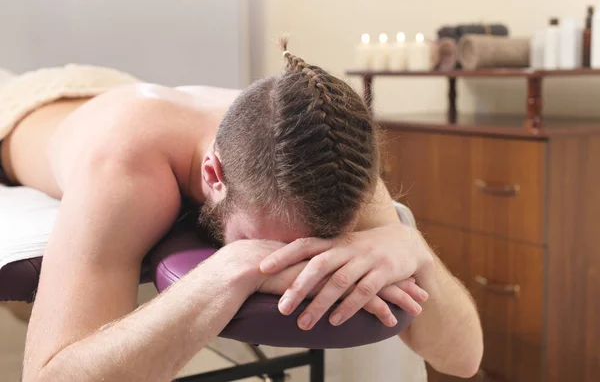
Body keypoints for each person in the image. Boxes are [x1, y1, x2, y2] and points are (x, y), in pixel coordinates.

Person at [0, 41, 483, 381]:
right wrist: (227, 269)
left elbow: (464, 359)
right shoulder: (122, 169)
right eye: (271, 244)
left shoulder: (335, 162)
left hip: (127, 90)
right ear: (213, 176)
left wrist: (416, 252)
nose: (296, 260)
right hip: (22, 109)